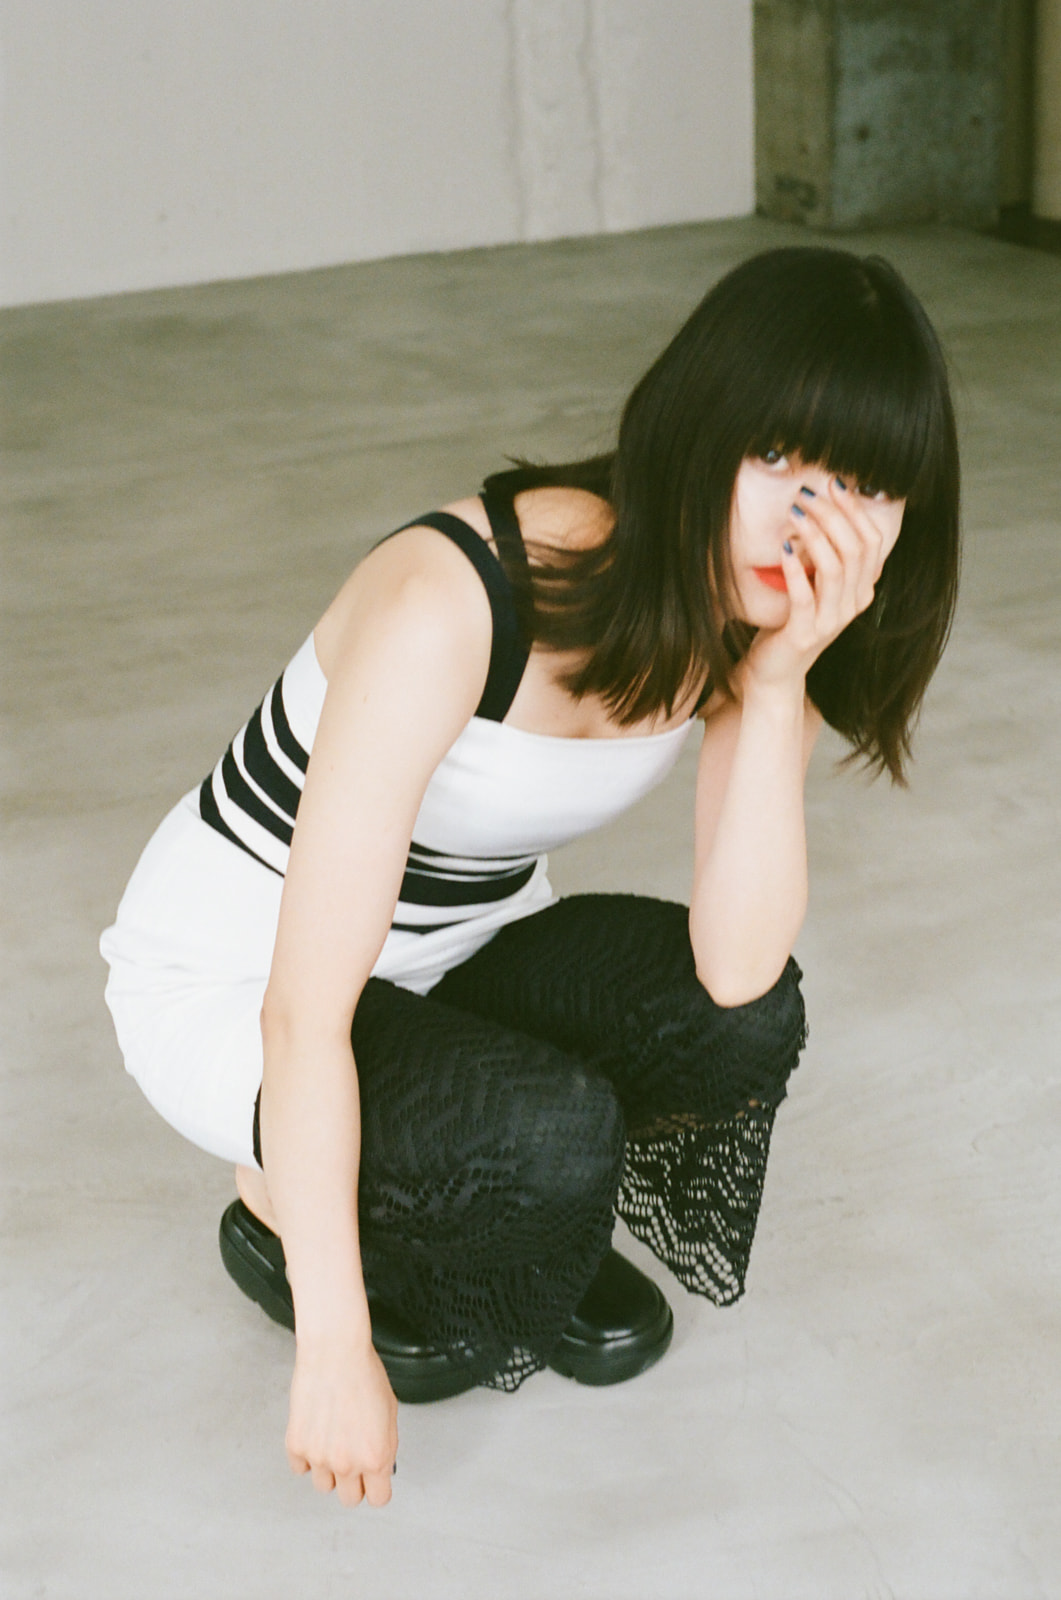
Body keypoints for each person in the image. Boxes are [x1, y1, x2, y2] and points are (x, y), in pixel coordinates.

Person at [100, 246, 961, 1510]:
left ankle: (507, 1213)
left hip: (455, 955)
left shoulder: (746, 621)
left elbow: (734, 970)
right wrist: (334, 1345)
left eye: (860, 485)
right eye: (778, 455)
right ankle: (279, 1203)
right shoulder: (456, 600)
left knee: (735, 1018)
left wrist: (778, 681)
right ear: (694, 425)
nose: (807, 520)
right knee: (541, 1134)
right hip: (243, 981)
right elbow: (303, 1010)